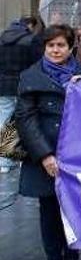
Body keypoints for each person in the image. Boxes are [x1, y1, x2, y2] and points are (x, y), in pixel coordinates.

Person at [15, 25, 81, 260]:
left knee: (73, 210)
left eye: (61, 45)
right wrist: (45, 155)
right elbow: (25, 118)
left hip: (77, 154)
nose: (55, 50)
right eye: (51, 45)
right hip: (45, 153)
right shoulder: (31, 76)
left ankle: (73, 259)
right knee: (50, 210)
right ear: (44, 47)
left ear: (70, 47)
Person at [0, 16, 42, 173]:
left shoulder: (2, 39)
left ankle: (3, 161)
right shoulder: (31, 40)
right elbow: (37, 64)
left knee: (3, 120)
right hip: (23, 86)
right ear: (30, 25)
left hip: (3, 86)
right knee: (23, 120)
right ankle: (20, 157)